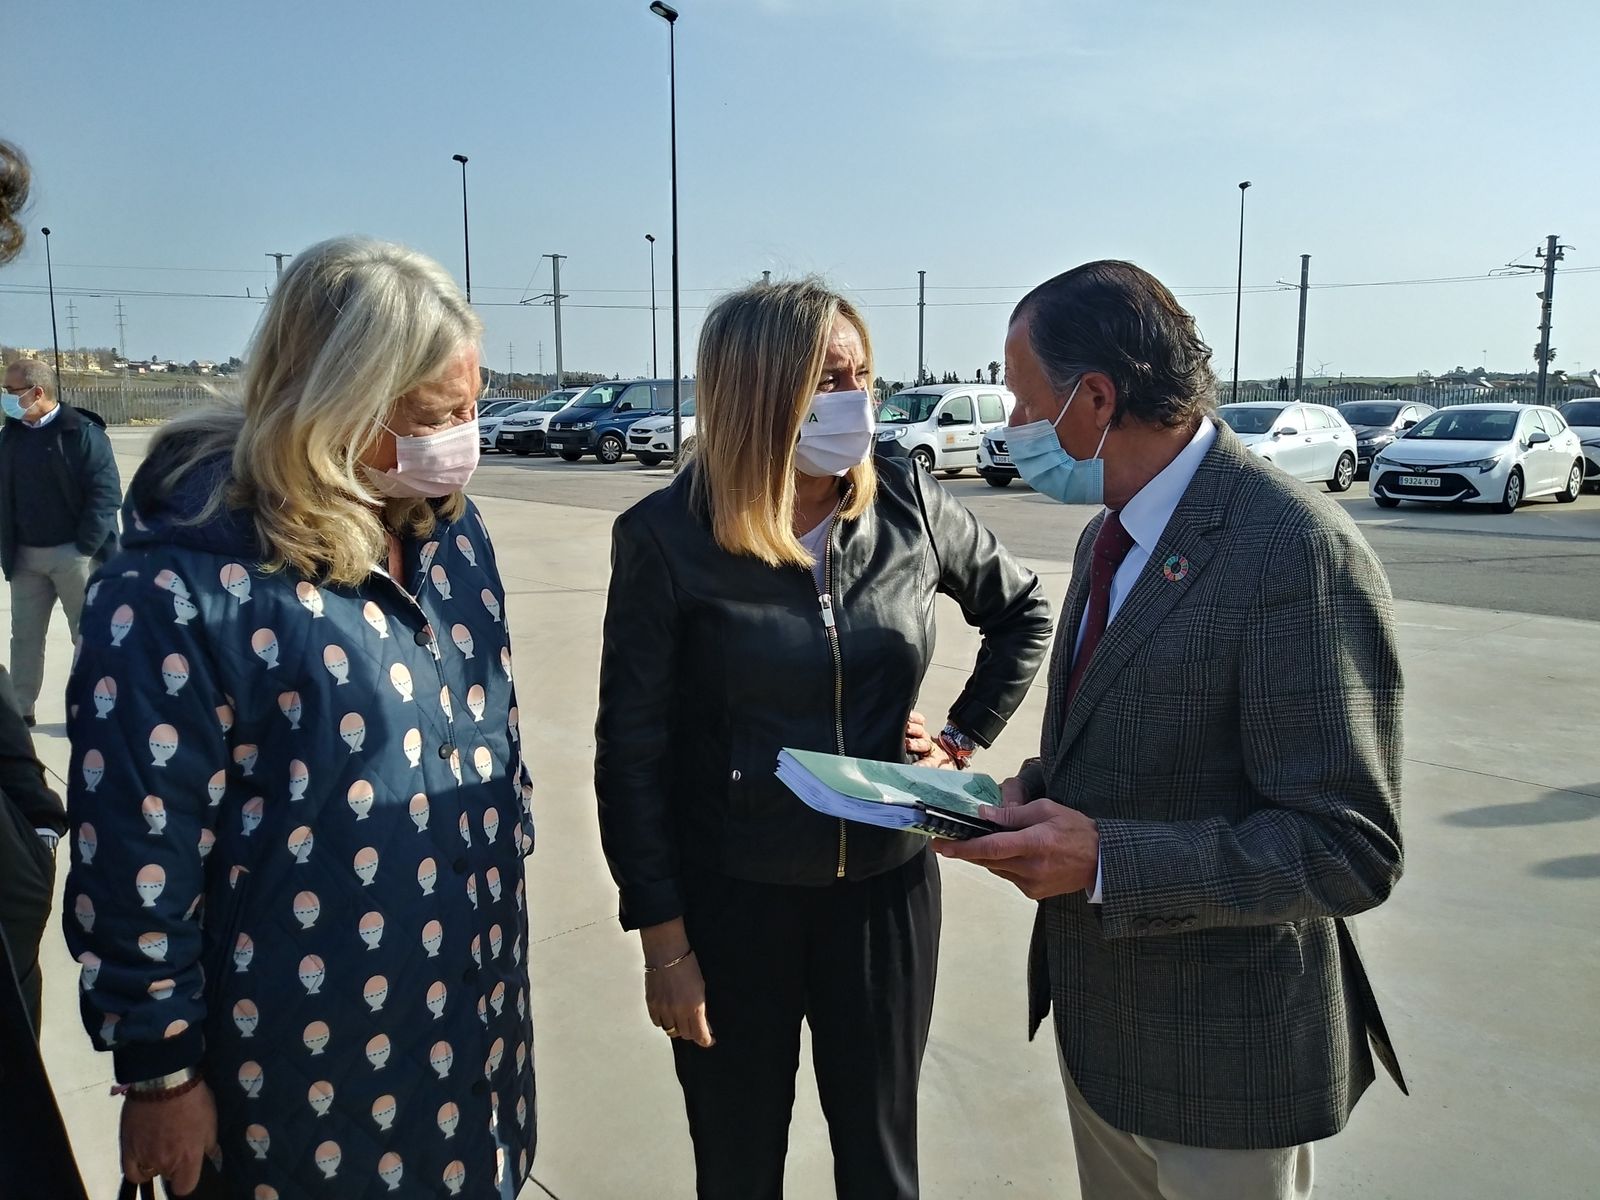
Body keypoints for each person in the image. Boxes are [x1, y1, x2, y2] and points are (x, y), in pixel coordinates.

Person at [62, 236, 536, 1199]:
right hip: (303, 1075)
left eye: (473, 407)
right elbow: (134, 853)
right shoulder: (177, 589)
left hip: (470, 1035)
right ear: (344, 407)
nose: (465, 437)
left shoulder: (451, 534)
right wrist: (160, 1072)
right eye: (441, 417)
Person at [936, 260, 1406, 1200]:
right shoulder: (1111, 530)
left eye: (1025, 404)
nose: (1013, 430)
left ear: (1095, 399)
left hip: (1222, 1068)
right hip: (1103, 1035)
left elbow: (1348, 848)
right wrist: (1038, 793)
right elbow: (1139, 728)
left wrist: (1106, 860)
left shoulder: (1292, 548)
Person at [595, 278, 1053, 1199]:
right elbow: (631, 757)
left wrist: (959, 741)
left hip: (883, 896)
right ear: (757, 392)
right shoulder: (665, 537)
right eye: (827, 380)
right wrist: (665, 946)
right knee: (738, 1163)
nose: (856, 401)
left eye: (863, 376)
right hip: (732, 904)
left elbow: (1023, 610)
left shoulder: (908, 502)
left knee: (882, 1167)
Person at [1, 356, 123, 726]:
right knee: (23, 639)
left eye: (11, 391)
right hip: (25, 558)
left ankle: (101, 707)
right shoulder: (10, 438)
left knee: (89, 637)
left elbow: (105, 496)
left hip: (76, 557)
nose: (6, 398)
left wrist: (84, 549)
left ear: (37, 392)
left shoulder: (82, 433)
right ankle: (20, 710)